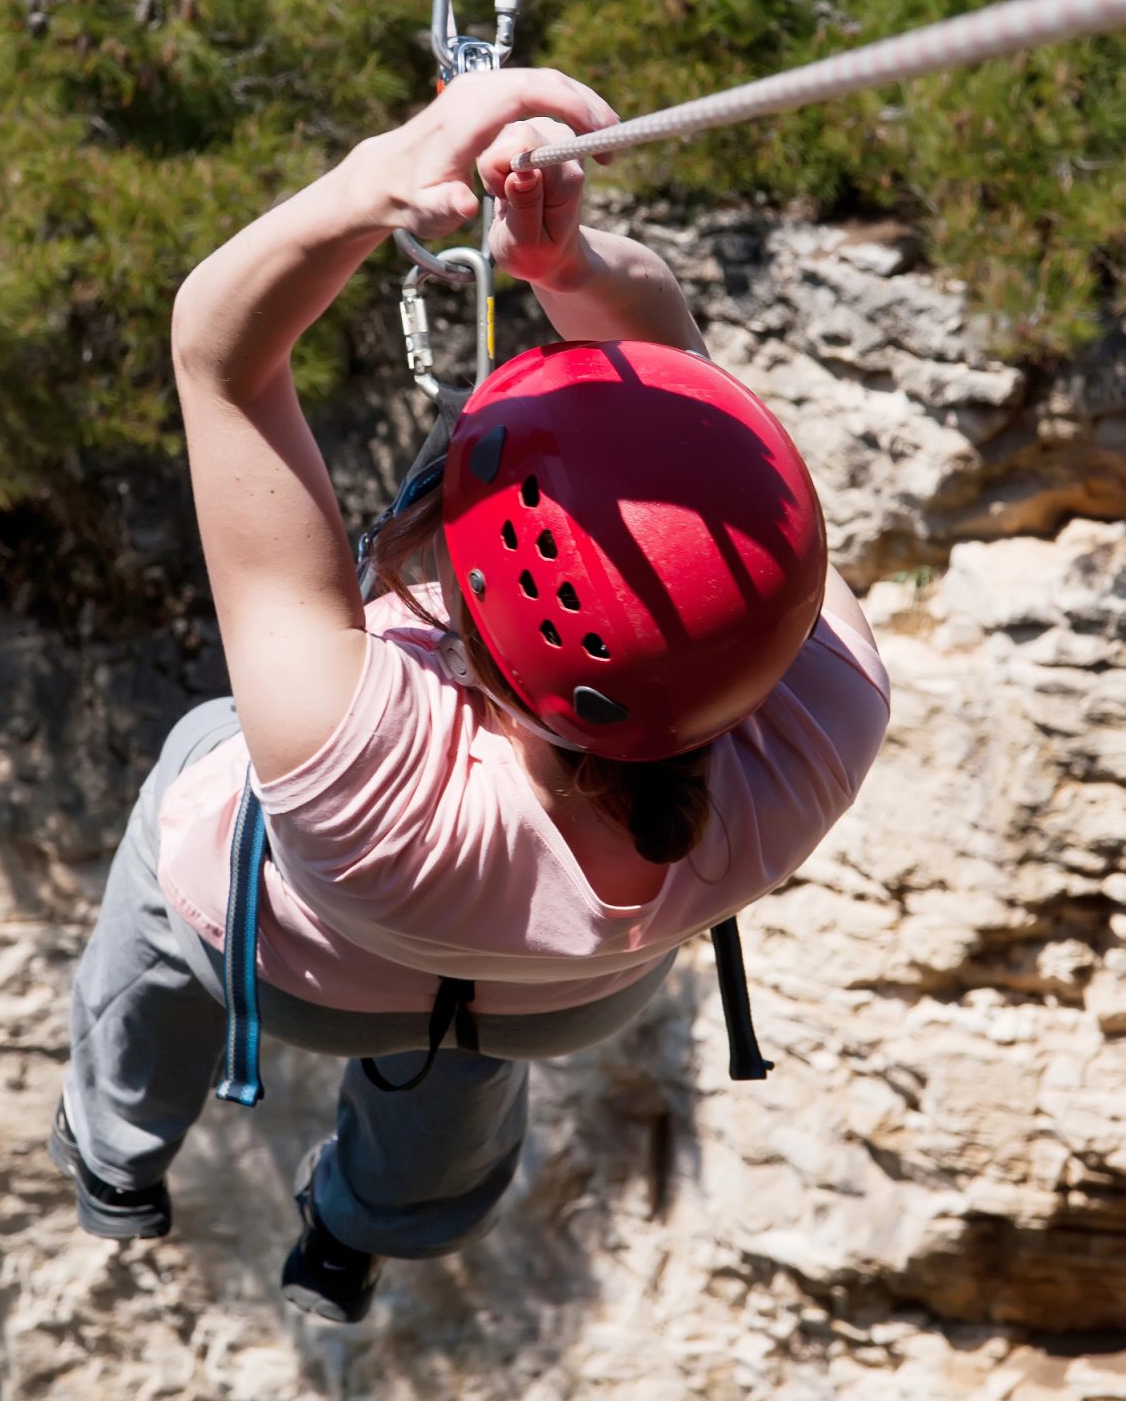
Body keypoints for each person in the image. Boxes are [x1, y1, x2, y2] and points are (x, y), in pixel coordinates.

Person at [50, 67, 890, 1323]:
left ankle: (114, 1150)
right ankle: (362, 1233)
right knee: (473, 1027)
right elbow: (688, 398)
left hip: (289, 964)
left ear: (469, 616)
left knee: (201, 766)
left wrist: (376, 177)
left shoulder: (365, 767)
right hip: (563, 999)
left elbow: (217, 356)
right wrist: (568, 267)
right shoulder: (823, 719)